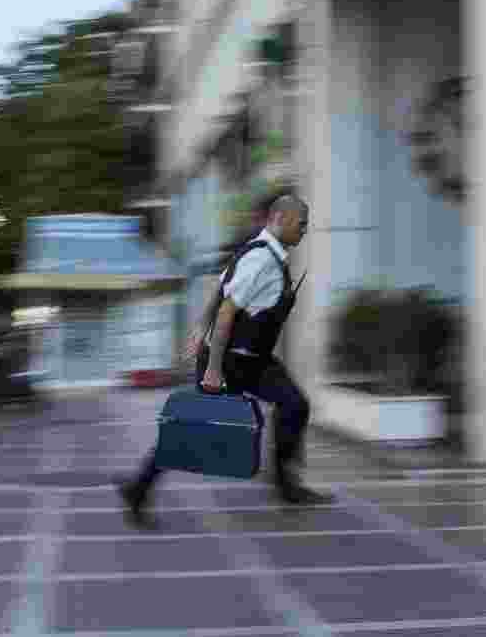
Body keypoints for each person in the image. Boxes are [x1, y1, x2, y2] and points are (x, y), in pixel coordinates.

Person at [118, 195, 334, 527]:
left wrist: (198, 330)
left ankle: (285, 484)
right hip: (230, 362)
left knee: (295, 405)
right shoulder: (260, 259)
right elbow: (227, 309)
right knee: (189, 429)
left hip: (255, 361)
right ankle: (138, 490)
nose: (305, 229)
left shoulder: (258, 252)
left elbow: (220, 292)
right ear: (280, 218)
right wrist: (214, 367)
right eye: (301, 223)